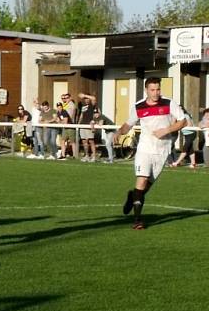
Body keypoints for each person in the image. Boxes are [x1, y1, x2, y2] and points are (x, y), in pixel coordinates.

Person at [114, 77, 187, 230]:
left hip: (163, 150)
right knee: (141, 181)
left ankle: (131, 196)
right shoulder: (138, 106)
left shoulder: (168, 103)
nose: (155, 93)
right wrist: (118, 132)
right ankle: (137, 220)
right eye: (152, 90)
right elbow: (128, 124)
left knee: (145, 187)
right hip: (145, 149)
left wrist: (166, 130)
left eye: (158, 89)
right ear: (146, 90)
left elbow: (183, 121)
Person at [78, 92, 98, 162]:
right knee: (84, 141)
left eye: (87, 98)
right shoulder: (83, 106)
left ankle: (94, 157)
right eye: (85, 99)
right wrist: (78, 124)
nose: (86, 100)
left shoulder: (92, 105)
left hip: (89, 126)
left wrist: (84, 95)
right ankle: (87, 156)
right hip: (83, 125)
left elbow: (94, 98)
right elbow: (81, 115)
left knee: (91, 141)